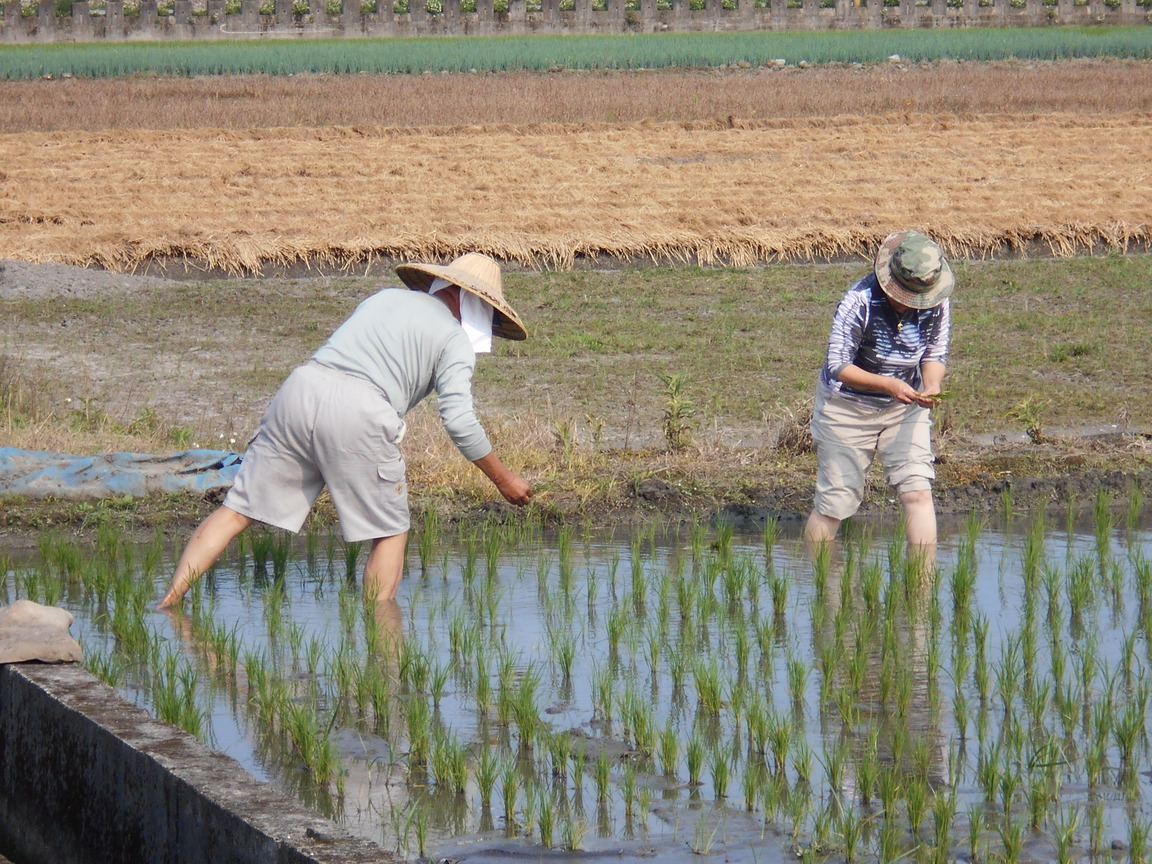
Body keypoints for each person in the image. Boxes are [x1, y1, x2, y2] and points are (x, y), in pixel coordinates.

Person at [158, 252, 533, 609]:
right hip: (361, 410)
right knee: (389, 531)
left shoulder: (383, 298)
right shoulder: (454, 340)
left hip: (300, 391)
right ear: (479, 307)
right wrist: (504, 479)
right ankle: (381, 646)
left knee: (237, 510)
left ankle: (169, 601)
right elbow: (459, 420)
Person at [803, 230, 953, 552]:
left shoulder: (936, 299)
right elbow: (838, 366)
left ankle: (921, 592)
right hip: (846, 408)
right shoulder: (859, 300)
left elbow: (934, 354)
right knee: (835, 504)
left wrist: (932, 385)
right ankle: (822, 591)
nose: (915, 303)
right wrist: (888, 384)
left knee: (917, 491)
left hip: (905, 408)